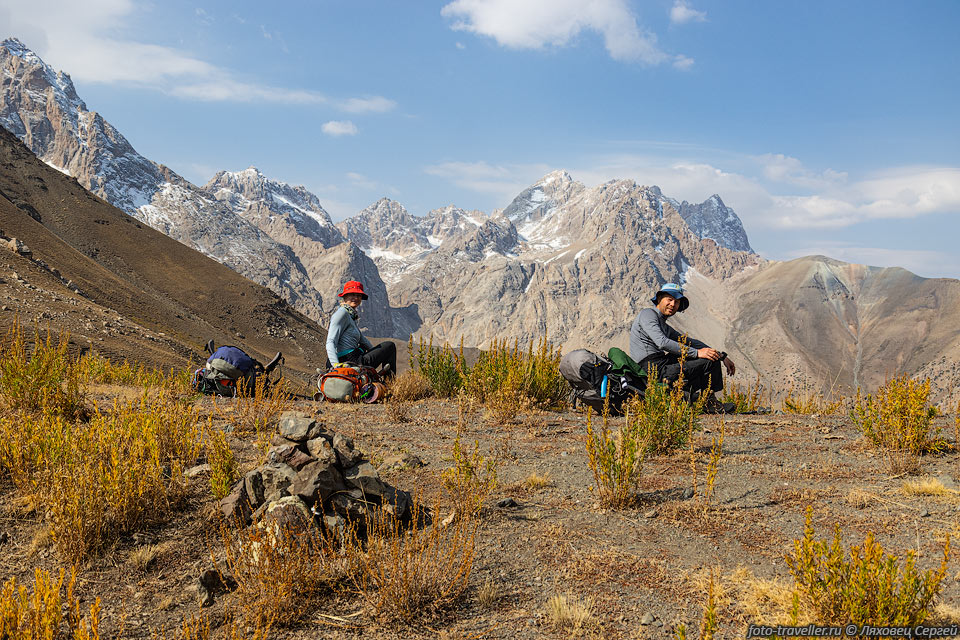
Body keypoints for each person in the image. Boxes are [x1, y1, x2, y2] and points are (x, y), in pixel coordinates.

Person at [629, 282, 735, 412]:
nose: (673, 304)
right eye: (670, 299)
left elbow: (688, 342)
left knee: (708, 355)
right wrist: (697, 353)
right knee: (708, 361)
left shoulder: (664, 326)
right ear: (659, 299)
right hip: (653, 369)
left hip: (661, 365)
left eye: (677, 302)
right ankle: (709, 403)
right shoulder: (648, 314)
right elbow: (662, 342)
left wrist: (721, 356)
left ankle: (691, 398)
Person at [326, 280, 396, 378]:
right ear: (344, 297)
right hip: (349, 361)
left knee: (367, 348)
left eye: (359, 295)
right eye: (352, 295)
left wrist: (377, 354)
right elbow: (330, 341)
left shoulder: (350, 316)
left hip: (352, 359)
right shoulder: (342, 314)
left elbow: (364, 341)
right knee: (390, 346)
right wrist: (335, 365)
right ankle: (390, 384)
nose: (356, 298)